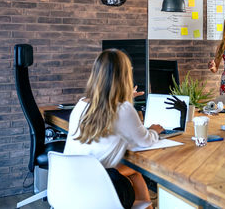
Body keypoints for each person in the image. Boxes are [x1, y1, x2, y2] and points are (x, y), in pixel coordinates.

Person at [64, 49, 164, 209]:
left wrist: (125, 98)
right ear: (125, 76)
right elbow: (145, 141)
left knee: (134, 173)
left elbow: (109, 111)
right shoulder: (124, 109)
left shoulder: (81, 104)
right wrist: (153, 130)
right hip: (99, 193)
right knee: (136, 174)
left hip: (70, 186)